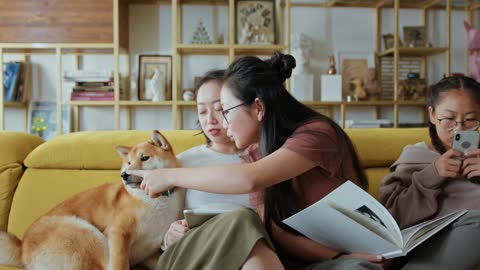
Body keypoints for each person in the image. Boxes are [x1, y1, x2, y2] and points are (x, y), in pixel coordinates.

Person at [130, 52, 384, 270]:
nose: (220, 123)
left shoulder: (315, 134)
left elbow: (250, 180)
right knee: (245, 220)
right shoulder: (252, 155)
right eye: (204, 111)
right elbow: (276, 232)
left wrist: (169, 175)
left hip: (334, 255)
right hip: (282, 257)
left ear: (258, 108)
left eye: (225, 111)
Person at [157, 69, 283, 270]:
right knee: (243, 218)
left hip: (248, 254)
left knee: (247, 229)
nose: (210, 120)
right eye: (202, 111)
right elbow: (158, 225)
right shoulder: (182, 163)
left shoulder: (266, 160)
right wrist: (169, 236)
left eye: (219, 108)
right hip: (196, 255)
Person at [379, 75, 480, 270]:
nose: (458, 129)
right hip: (426, 242)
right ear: (432, 115)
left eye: (470, 120)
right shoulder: (415, 156)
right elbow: (390, 219)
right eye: (448, 119)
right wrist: (432, 174)